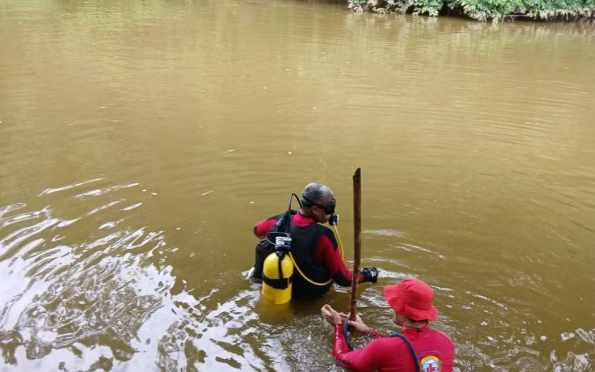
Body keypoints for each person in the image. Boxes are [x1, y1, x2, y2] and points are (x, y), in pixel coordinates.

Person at [252, 183, 378, 300]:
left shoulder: (278, 222)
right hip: (307, 299)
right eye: (330, 207)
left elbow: (257, 231)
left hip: (275, 293)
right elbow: (343, 279)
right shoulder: (324, 237)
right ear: (315, 210)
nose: (332, 211)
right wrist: (367, 275)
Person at [321, 278, 454, 372]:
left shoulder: (384, 348)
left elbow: (343, 361)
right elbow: (404, 347)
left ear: (400, 309)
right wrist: (368, 332)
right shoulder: (446, 340)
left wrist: (338, 325)